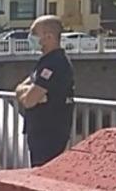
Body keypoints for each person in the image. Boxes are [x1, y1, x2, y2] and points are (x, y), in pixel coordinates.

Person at [16, 15, 75, 167]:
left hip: (49, 134)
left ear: (49, 37)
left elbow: (29, 100)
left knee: (43, 172)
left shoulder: (56, 63)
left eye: (34, 33)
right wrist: (28, 92)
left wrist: (28, 94)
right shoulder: (45, 61)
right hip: (39, 132)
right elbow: (20, 88)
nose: (31, 38)